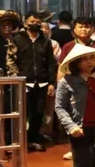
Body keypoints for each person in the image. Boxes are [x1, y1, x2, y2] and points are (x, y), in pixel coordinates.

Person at [6, 11, 58, 152]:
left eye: (38, 22)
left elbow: (51, 63)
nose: (35, 24)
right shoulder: (16, 39)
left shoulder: (45, 41)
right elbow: (11, 61)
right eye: (32, 21)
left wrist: (51, 82)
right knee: (22, 113)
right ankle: (18, 141)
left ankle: (32, 139)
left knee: (38, 113)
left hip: (42, 83)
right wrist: (16, 78)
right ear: (25, 23)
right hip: (23, 82)